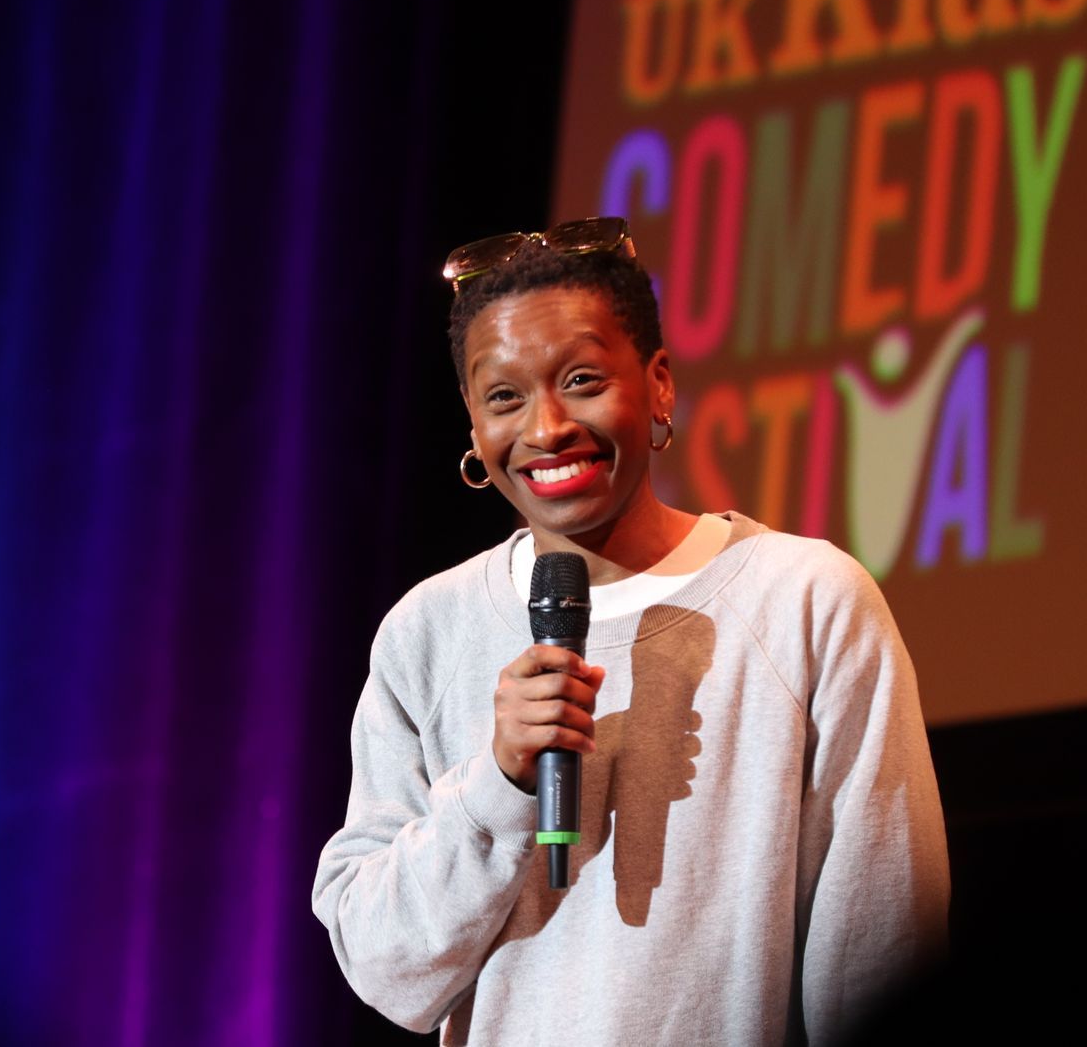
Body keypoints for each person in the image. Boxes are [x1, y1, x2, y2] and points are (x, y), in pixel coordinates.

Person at [312, 218, 949, 1045]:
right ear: (473, 426)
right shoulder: (428, 633)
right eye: (504, 397)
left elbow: (882, 934)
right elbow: (383, 964)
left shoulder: (808, 599)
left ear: (657, 386)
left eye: (581, 379)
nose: (545, 429)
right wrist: (498, 784)